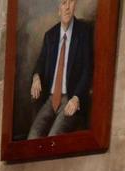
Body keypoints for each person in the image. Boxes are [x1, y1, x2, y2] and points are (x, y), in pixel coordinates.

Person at [27, 0, 92, 139]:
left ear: (75, 5)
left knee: (53, 138)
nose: (67, 7)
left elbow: (87, 71)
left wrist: (77, 98)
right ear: (58, 9)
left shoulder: (84, 32)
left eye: (71, 2)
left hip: (70, 98)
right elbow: (41, 62)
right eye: (64, 3)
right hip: (51, 99)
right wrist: (36, 77)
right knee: (32, 137)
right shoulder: (50, 36)